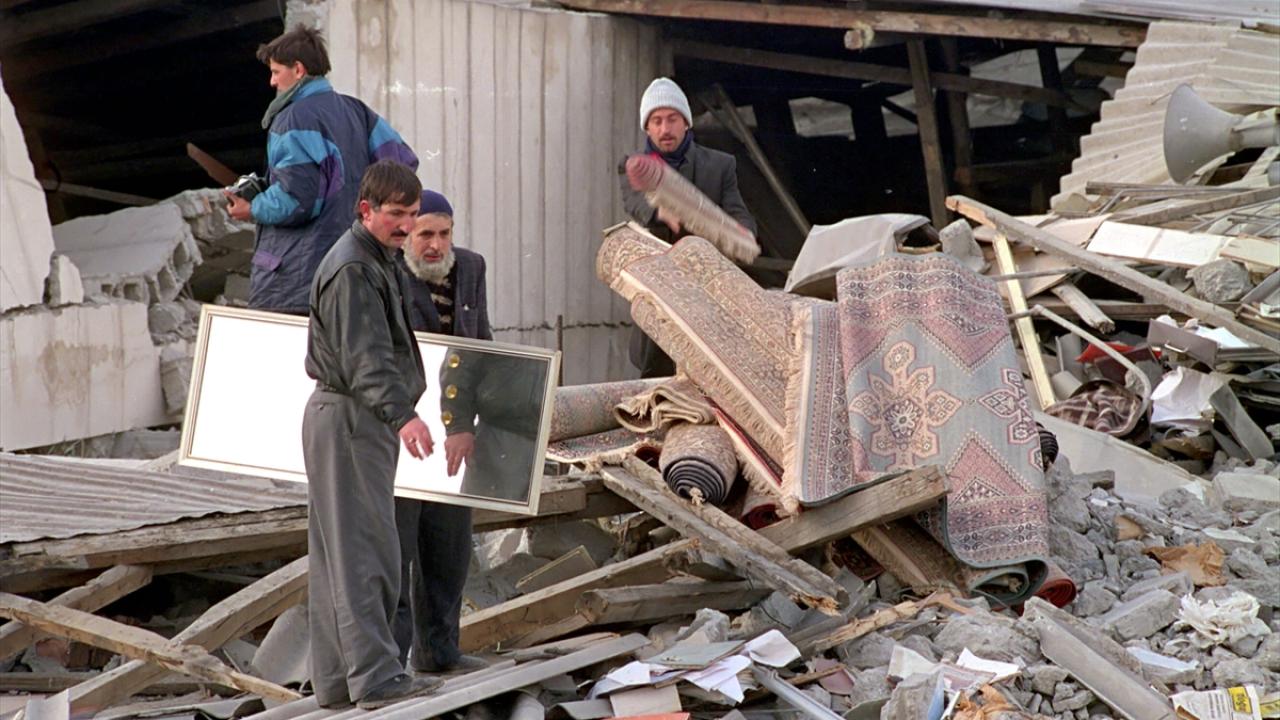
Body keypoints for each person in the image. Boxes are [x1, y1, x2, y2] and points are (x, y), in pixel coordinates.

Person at [301, 160, 439, 710]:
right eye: (396, 215)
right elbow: (366, 358)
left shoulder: (374, 259)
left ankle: (338, 684)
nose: (406, 226)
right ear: (366, 210)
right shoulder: (355, 268)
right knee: (367, 552)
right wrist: (403, 415)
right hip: (354, 417)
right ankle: (377, 679)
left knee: (340, 553)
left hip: (350, 418)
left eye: (412, 214)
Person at [226, 24, 418, 315]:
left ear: (299, 70)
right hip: (357, 269)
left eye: (276, 71)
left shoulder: (292, 119)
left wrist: (252, 207)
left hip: (296, 282)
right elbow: (402, 168)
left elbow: (296, 200)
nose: (272, 81)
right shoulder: (357, 111)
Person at [391, 190, 493, 675]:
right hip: (403, 432)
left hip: (454, 432)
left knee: (450, 550)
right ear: (408, 232)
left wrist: (474, 422)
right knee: (397, 551)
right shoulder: (388, 273)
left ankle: (439, 653)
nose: (435, 245)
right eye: (425, 233)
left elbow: (482, 348)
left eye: (444, 233)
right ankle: (390, 663)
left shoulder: (470, 268)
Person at [619, 77, 757, 376]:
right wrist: (661, 214)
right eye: (656, 121)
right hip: (658, 294)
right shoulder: (635, 165)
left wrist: (744, 234)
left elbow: (738, 213)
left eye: (671, 119)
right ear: (647, 127)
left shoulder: (720, 165)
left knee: (709, 379)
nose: (664, 129)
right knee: (655, 383)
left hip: (705, 291)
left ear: (686, 122)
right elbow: (636, 205)